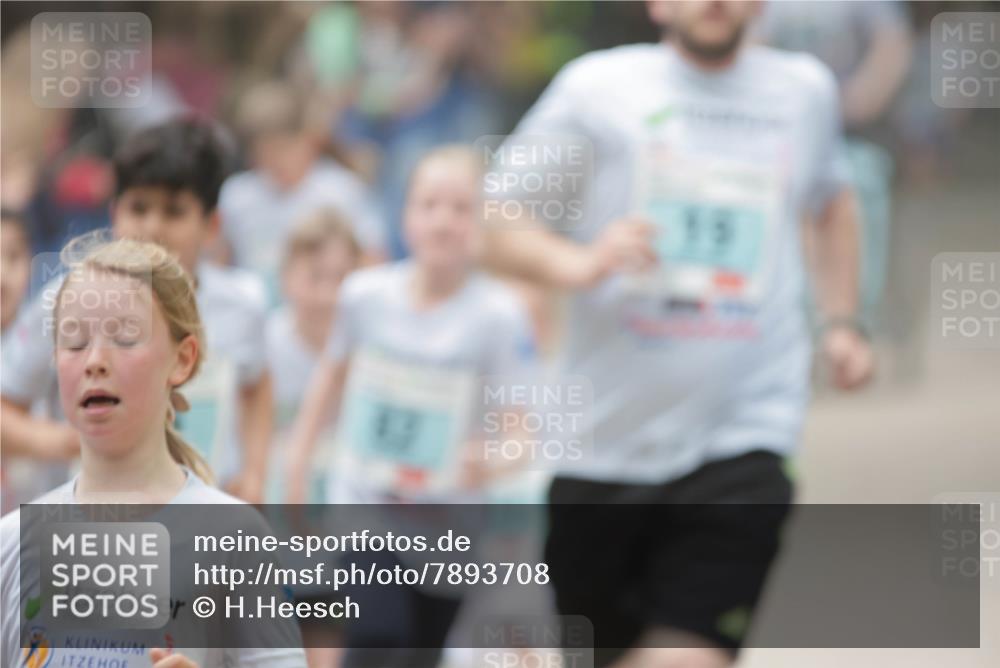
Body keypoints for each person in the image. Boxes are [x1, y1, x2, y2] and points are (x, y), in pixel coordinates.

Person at [485, 2, 875, 667]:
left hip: (744, 430)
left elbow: (832, 200)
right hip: (604, 445)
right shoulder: (597, 88)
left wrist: (840, 321)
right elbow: (494, 222)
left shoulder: (802, 91)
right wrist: (578, 263)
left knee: (689, 653)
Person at [0, 235, 307, 667]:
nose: (94, 360)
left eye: (125, 337)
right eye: (74, 341)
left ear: (182, 360)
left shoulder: (235, 536)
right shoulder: (12, 541)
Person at [286, 145, 536, 667]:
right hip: (366, 509)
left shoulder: (499, 315)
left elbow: (520, 432)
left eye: (460, 208)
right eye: (429, 205)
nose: (443, 222)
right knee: (378, 638)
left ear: (481, 222)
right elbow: (329, 380)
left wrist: (489, 461)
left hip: (448, 534)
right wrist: (297, 467)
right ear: (406, 216)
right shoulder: (365, 296)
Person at [1, 118, 273, 503]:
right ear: (113, 213)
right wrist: (75, 440)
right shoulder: (67, 301)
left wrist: (254, 472)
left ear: (211, 225)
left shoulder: (242, 307)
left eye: (173, 211)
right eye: (138, 207)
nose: (151, 227)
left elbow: (257, 383)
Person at [265, 208, 362, 668]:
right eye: (316, 276)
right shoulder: (265, 348)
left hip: (342, 540)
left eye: (342, 277)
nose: (329, 293)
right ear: (286, 278)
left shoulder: (367, 353)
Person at [217, 80, 386, 306]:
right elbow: (220, 265)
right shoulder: (237, 195)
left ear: (308, 140)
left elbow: (373, 263)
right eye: (263, 151)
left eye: (282, 148)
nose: (274, 161)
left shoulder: (341, 191)